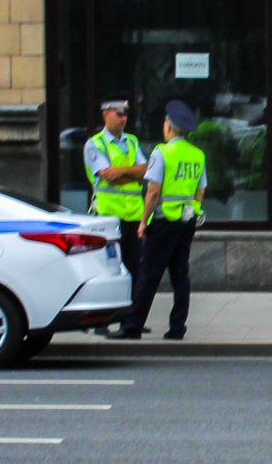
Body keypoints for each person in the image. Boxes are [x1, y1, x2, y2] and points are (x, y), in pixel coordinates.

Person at [107, 99, 206, 341]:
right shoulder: (198, 154)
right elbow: (201, 189)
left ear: (169, 127)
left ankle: (133, 326)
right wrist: (193, 208)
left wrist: (144, 220)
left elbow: (153, 191)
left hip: (163, 220)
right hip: (187, 219)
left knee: (148, 273)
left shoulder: (162, 152)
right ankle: (177, 328)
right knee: (180, 274)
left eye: (164, 122)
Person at [82, 92, 146, 275]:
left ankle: (135, 304)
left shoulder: (132, 141)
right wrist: (134, 172)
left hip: (134, 216)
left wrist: (121, 171)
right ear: (105, 114)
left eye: (125, 114)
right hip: (109, 217)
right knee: (112, 269)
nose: (123, 118)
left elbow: (146, 173)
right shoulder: (95, 144)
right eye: (119, 114)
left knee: (137, 268)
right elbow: (109, 176)